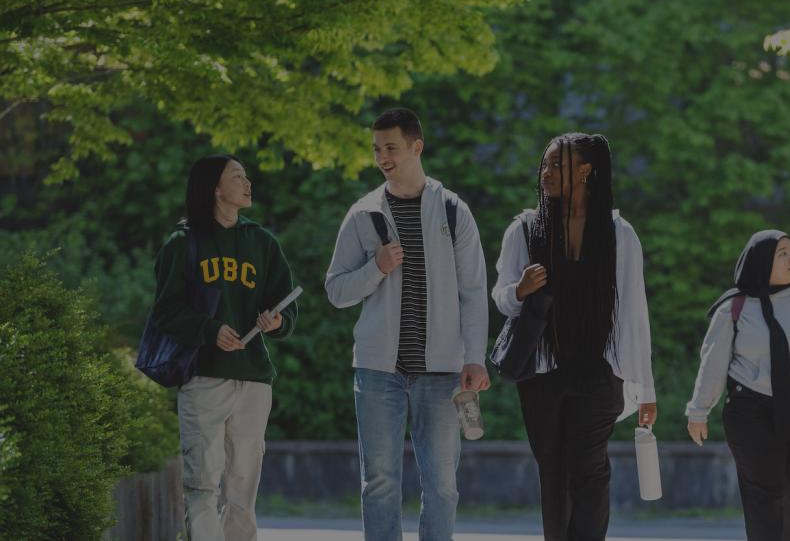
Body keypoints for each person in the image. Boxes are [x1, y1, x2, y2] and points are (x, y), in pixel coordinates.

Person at [324, 108, 490, 541]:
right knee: (378, 484)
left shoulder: (454, 211)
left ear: (417, 147)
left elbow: (473, 291)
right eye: (377, 149)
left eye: (391, 147)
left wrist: (474, 358)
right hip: (379, 372)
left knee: (442, 486)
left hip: (442, 372)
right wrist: (375, 268)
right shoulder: (363, 214)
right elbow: (336, 290)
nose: (383, 157)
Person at [491, 132, 657, 541]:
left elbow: (635, 314)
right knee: (554, 472)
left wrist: (645, 388)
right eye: (544, 165)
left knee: (589, 468)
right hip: (542, 373)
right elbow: (500, 299)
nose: (546, 173)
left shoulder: (620, 234)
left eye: (557, 165)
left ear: (585, 171)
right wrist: (519, 290)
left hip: (600, 372)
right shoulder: (525, 229)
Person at [150, 154, 298, 540]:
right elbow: (166, 311)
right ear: (215, 188)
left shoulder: (261, 242)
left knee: (242, 491)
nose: (248, 183)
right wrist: (209, 329)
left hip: (253, 380)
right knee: (201, 485)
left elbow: (287, 303)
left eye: (246, 176)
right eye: (237, 177)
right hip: (203, 379)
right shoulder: (182, 244)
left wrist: (277, 320)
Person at [685, 230, 790, 541]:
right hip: (752, 409)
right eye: (782, 253)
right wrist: (699, 410)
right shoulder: (735, 306)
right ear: (763, 261)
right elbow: (713, 362)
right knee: (763, 492)